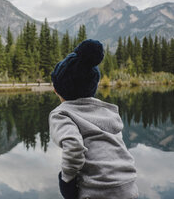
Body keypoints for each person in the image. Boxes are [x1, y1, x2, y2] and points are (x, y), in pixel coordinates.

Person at [49, 39, 138, 199]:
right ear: (93, 86)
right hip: (129, 185)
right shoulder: (108, 110)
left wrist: (66, 180)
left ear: (56, 90)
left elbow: (74, 147)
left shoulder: (61, 114)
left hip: (98, 190)